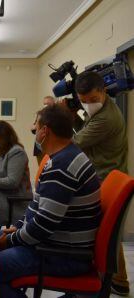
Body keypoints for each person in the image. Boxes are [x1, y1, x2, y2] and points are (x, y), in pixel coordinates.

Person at [0, 104, 101, 298]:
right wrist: (16, 228)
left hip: (61, 254)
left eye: (36, 125)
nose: (34, 130)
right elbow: (37, 208)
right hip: (55, 244)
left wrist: (10, 240)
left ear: (44, 131)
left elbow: (42, 226)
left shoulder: (61, 166)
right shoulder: (64, 156)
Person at [73, 71, 129, 296]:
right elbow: (85, 130)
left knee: (109, 232)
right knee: (109, 231)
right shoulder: (100, 110)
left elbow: (77, 142)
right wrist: (74, 114)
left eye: (93, 100)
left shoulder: (107, 118)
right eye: (83, 101)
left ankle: (118, 279)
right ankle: (118, 279)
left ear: (104, 91)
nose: (88, 105)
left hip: (106, 178)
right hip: (102, 175)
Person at [33, 96, 55, 164]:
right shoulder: (40, 114)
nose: (45, 106)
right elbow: (34, 127)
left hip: (51, 147)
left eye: (48, 104)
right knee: (41, 170)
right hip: (39, 148)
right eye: (44, 104)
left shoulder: (57, 115)